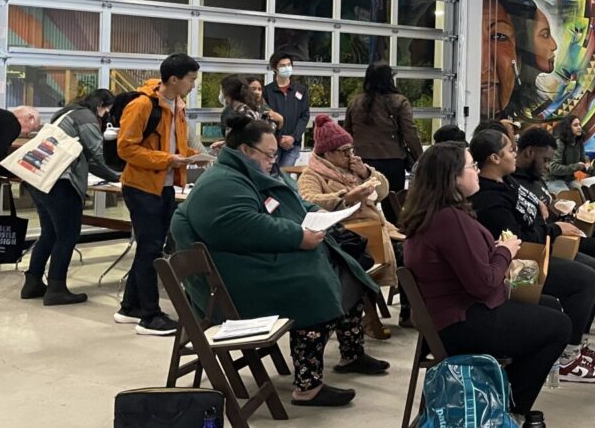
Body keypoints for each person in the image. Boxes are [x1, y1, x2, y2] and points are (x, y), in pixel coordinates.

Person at [171, 119, 385, 407]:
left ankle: (351, 353)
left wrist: (320, 217)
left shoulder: (253, 172)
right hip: (230, 285)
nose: (274, 160)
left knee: (344, 264)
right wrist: (298, 236)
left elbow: (294, 203)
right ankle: (307, 387)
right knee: (312, 284)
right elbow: (244, 225)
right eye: (269, 154)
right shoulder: (222, 182)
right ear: (246, 149)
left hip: (248, 266)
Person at [400, 142, 571, 415]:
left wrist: (492, 250)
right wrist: (503, 251)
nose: (477, 172)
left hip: (447, 317)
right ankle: (506, 409)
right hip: (461, 322)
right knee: (559, 327)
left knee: (549, 306)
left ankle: (502, 396)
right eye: (471, 167)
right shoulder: (449, 220)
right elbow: (483, 284)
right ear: (452, 178)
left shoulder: (434, 214)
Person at [495, 126, 595, 361]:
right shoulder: (508, 187)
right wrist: (555, 225)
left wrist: (560, 214)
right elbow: (522, 232)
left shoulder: (525, 181)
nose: (513, 155)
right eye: (509, 151)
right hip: (550, 242)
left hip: (559, 231)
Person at [115, 53, 202, 337]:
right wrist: (168, 160)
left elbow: (174, 145)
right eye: (191, 80)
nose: (193, 85)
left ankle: (130, 307)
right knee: (151, 249)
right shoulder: (142, 105)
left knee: (150, 246)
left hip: (165, 185)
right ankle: (150, 316)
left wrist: (194, 156)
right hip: (141, 186)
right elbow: (126, 149)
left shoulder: (178, 105)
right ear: (174, 79)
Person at [20, 90, 121, 305]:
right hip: (60, 182)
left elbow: (90, 160)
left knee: (50, 233)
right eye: (107, 111)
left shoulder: (65, 114)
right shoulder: (86, 117)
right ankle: (56, 288)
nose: (106, 117)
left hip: (38, 178)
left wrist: (113, 176)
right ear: (101, 104)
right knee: (68, 234)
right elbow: (98, 154)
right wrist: (123, 176)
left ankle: (32, 282)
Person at [297, 113, 403, 290]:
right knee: (397, 257)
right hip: (350, 235)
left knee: (415, 255)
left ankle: (407, 314)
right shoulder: (312, 175)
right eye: (344, 151)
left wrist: (366, 173)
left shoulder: (355, 167)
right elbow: (308, 200)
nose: (350, 156)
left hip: (378, 228)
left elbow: (383, 192)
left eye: (351, 150)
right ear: (328, 153)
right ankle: (372, 312)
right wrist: (346, 198)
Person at [344, 61, 423, 193]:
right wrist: (420, 158)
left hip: (363, 161)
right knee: (392, 203)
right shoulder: (399, 102)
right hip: (392, 160)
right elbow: (410, 134)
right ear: (389, 79)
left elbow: (346, 135)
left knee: (366, 200)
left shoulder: (355, 103)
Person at [262, 52, 311, 170]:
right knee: (271, 174)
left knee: (285, 175)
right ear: (274, 68)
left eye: (289, 65)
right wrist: (278, 138)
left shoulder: (300, 90)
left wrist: (293, 137)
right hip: (272, 144)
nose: (287, 68)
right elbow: (265, 118)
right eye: (282, 65)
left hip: (293, 144)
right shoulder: (267, 91)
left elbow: (304, 116)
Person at [0, 106, 40, 178]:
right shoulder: (12, 123)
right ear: (29, 118)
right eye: (33, 128)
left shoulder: (1, 117)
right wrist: (19, 172)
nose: (27, 133)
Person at [548, 116, 592, 190]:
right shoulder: (559, 143)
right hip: (553, 179)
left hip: (569, 178)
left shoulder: (579, 142)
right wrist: (576, 166)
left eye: (579, 124)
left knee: (583, 191)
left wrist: (589, 168)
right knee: (567, 195)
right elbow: (554, 168)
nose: (579, 127)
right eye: (575, 125)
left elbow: (582, 162)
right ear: (568, 128)